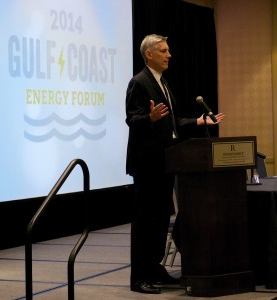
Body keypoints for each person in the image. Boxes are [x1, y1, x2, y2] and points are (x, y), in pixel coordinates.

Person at [125, 33, 225, 294]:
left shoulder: (164, 84)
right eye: (164, 51)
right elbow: (132, 121)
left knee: (160, 220)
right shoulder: (139, 82)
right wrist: (149, 117)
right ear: (149, 54)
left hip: (167, 161)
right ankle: (139, 277)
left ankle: (155, 268)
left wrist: (199, 122)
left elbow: (174, 124)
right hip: (147, 164)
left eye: (168, 50)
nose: (169, 55)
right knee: (145, 220)